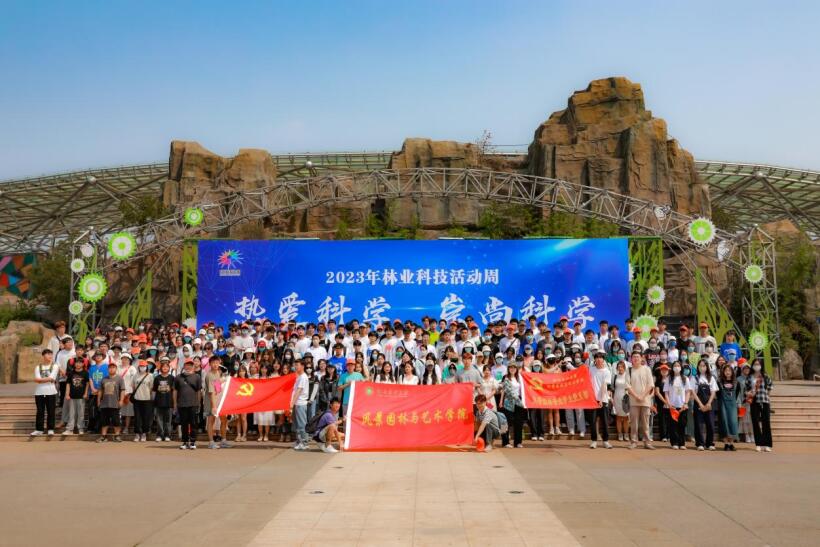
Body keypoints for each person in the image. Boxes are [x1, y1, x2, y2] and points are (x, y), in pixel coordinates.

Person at [626, 351, 655, 450]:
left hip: (645, 400)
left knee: (645, 423)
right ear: (631, 359)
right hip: (633, 401)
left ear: (641, 358)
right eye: (634, 357)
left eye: (637, 357)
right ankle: (634, 442)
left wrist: (642, 396)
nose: (636, 358)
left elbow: (650, 384)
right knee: (634, 423)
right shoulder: (629, 370)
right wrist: (636, 396)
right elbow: (628, 386)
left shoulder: (647, 369)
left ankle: (647, 442)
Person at [586, 351, 612, 449]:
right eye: (597, 358)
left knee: (604, 421)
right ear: (595, 360)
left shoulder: (606, 372)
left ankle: (606, 441)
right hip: (592, 400)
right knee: (592, 421)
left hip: (603, 399)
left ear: (603, 360)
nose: (598, 359)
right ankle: (594, 440)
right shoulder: (591, 369)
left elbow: (604, 386)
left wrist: (601, 400)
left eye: (600, 358)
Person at [746, 359, 773, 452]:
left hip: (764, 401)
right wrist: (749, 393)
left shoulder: (765, 376)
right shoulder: (749, 377)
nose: (756, 366)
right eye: (755, 364)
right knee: (755, 422)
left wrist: (767, 396)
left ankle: (767, 444)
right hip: (754, 401)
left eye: (758, 364)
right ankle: (758, 444)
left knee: (766, 422)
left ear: (761, 365)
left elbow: (770, 387)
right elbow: (746, 389)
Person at [174, 359, 202, 450]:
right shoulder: (178, 377)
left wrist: (198, 403)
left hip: (193, 404)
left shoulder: (197, 377)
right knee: (184, 424)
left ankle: (193, 442)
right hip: (182, 404)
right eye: (187, 365)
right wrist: (175, 403)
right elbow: (175, 391)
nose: (188, 367)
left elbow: (199, 391)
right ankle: (185, 441)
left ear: (193, 366)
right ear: (184, 366)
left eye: (190, 365)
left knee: (193, 423)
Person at [31, 349, 60, 436]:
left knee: (51, 411)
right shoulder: (38, 367)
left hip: (51, 392)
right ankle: (39, 429)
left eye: (51, 354)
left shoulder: (55, 366)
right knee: (40, 411)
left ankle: (50, 429)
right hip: (39, 392)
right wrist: (45, 380)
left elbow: (52, 378)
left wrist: (40, 380)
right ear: (43, 356)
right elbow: (37, 379)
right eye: (48, 354)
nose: (50, 356)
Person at [692, 359, 718, 451]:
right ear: (698, 367)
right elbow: (693, 392)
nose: (702, 368)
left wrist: (709, 403)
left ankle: (710, 443)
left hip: (709, 404)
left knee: (710, 424)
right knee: (698, 424)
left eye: (704, 366)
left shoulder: (711, 378)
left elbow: (713, 392)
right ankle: (700, 443)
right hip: (698, 403)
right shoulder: (694, 378)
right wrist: (700, 404)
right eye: (700, 366)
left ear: (707, 367)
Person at [97, 363, 126, 443]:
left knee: (116, 421)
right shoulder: (104, 379)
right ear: (108, 369)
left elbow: (122, 390)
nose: (111, 369)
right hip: (104, 403)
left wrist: (121, 400)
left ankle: (117, 436)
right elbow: (100, 391)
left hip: (115, 403)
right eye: (110, 368)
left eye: (113, 367)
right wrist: (98, 401)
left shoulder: (119, 379)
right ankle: (103, 436)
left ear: (116, 369)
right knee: (104, 421)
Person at [663, 361, 690, 449]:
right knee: (673, 425)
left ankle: (682, 443)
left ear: (681, 367)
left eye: (678, 366)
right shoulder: (669, 378)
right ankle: (674, 442)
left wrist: (685, 403)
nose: (677, 367)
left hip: (682, 406)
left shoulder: (685, 378)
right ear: (672, 368)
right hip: (672, 406)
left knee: (682, 425)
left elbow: (688, 392)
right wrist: (669, 404)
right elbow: (666, 392)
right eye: (675, 366)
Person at [500, 363, 526, 448]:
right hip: (508, 402)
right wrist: (501, 401)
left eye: (514, 367)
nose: (512, 369)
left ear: (516, 369)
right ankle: (505, 442)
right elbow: (505, 390)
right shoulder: (506, 378)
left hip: (518, 402)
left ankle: (518, 442)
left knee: (519, 422)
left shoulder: (519, 378)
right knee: (506, 422)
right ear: (508, 369)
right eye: (510, 367)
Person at [63, 356, 89, 435]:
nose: (78, 364)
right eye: (77, 363)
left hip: (81, 396)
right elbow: (68, 384)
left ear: (83, 364)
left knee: (81, 413)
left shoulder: (85, 373)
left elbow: (87, 384)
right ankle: (70, 429)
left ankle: (80, 428)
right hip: (72, 396)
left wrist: (85, 393)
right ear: (74, 364)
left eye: (80, 363)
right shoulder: (71, 373)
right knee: (71, 413)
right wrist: (67, 394)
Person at [717, 364, 741, 451]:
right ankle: (726, 444)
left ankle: (731, 443)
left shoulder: (736, 382)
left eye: (729, 370)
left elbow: (737, 393)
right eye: (726, 370)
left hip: (732, 405)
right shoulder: (719, 382)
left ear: (732, 372)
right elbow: (718, 394)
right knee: (724, 422)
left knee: (733, 422)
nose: (727, 372)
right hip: (723, 404)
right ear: (723, 372)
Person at [131, 360, 154, 442]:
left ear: (146, 367)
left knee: (146, 417)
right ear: (138, 367)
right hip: (137, 399)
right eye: (141, 366)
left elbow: (151, 388)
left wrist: (148, 395)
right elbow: (133, 386)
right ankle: (137, 433)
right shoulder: (135, 375)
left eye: (144, 366)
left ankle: (144, 433)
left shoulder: (150, 376)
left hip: (147, 399)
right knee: (137, 417)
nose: (142, 367)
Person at [152, 360, 174, 442]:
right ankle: (160, 435)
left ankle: (167, 435)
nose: (165, 368)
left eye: (166, 366)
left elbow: (174, 391)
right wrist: (153, 400)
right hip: (159, 401)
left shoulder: (172, 378)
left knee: (168, 420)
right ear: (160, 368)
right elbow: (154, 390)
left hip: (169, 401)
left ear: (169, 368)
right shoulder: (157, 378)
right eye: (163, 366)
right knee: (159, 420)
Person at [291, 359, 311, 450]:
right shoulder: (299, 376)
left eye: (297, 365)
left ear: (302, 366)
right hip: (297, 403)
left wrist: (292, 403)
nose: (295, 367)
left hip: (301, 403)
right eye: (295, 365)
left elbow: (299, 391)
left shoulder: (303, 377)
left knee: (302, 424)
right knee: (297, 424)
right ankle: (299, 441)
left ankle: (305, 442)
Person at [612, 360, 630, 442]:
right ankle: (620, 434)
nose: (620, 368)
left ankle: (626, 434)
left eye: (622, 367)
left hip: (626, 398)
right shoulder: (615, 376)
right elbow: (612, 388)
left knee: (626, 417)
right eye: (618, 367)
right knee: (618, 417)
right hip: (617, 397)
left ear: (624, 368)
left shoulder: (628, 376)